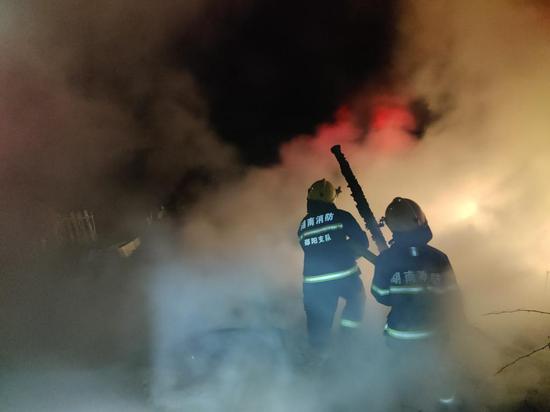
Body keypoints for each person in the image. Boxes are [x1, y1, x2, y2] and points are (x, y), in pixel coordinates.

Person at [371, 197, 462, 409]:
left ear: (392, 226)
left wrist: (400, 296)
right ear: (421, 220)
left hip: (401, 336)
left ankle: (408, 404)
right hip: (436, 333)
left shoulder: (386, 259)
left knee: (403, 375)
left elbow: (380, 294)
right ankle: (447, 405)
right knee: (441, 373)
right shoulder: (439, 257)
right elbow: (452, 295)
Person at [297, 179, 370, 354]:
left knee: (318, 324)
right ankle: (346, 341)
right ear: (331, 198)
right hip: (344, 277)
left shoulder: (303, 224)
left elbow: (309, 248)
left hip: (314, 284)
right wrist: (347, 255)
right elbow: (362, 243)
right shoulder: (341, 216)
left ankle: (317, 357)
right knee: (357, 300)